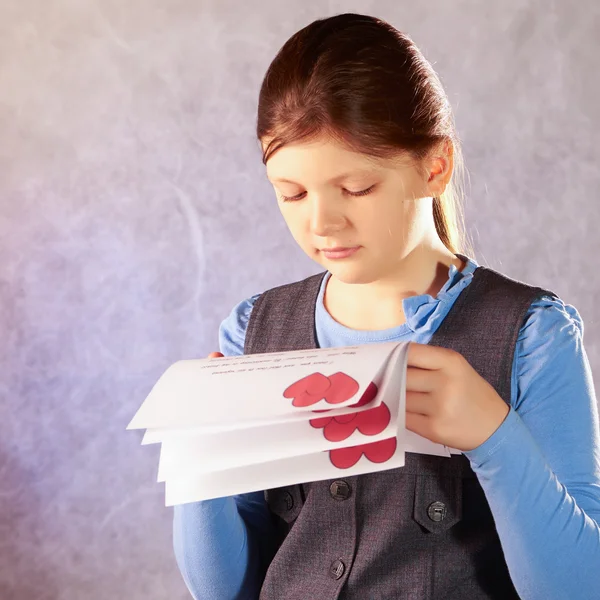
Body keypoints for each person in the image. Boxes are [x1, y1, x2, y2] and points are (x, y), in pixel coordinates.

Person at [172, 13, 600, 600]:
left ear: (434, 165)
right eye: (291, 193)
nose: (322, 222)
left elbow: (576, 589)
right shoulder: (253, 332)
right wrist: (204, 458)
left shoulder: (532, 337)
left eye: (356, 189)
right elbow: (220, 591)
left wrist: (494, 437)